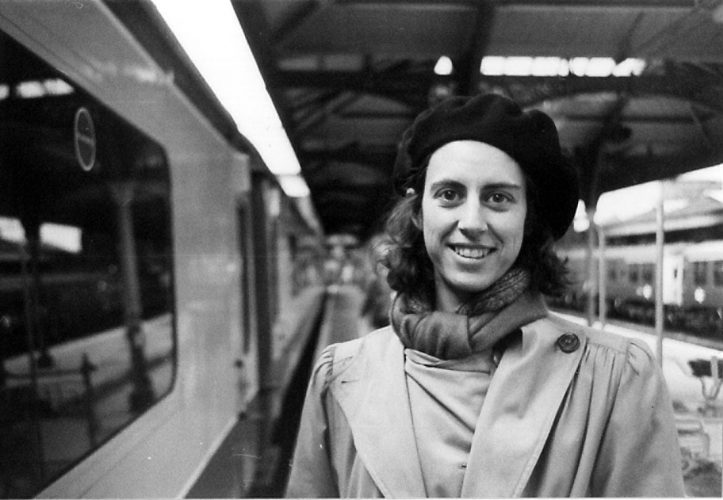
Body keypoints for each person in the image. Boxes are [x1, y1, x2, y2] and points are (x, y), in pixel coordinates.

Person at [285, 94, 685, 497]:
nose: (472, 222)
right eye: (449, 195)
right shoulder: (340, 377)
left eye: (498, 198)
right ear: (420, 213)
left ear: (528, 218)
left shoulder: (617, 378)